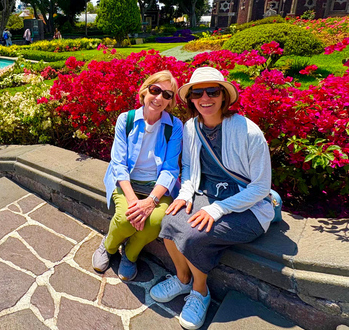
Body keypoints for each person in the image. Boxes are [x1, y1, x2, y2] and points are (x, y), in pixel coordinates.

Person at [149, 67, 274, 329]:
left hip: (248, 206)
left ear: (224, 96)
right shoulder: (192, 127)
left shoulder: (249, 132)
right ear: (191, 99)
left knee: (195, 236)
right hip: (207, 194)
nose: (205, 98)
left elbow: (261, 187)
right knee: (169, 220)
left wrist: (218, 210)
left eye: (213, 91)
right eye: (197, 92)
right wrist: (185, 194)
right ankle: (182, 279)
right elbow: (191, 170)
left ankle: (200, 292)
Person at [93, 71, 183, 281]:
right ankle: (109, 246)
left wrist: (151, 201)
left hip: (157, 186)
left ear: (170, 101)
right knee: (126, 217)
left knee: (156, 222)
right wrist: (134, 200)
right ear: (145, 91)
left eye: (167, 95)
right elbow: (119, 164)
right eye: (155, 90)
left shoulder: (174, 126)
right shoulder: (127, 120)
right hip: (128, 183)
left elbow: (171, 169)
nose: (159, 98)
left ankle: (130, 255)